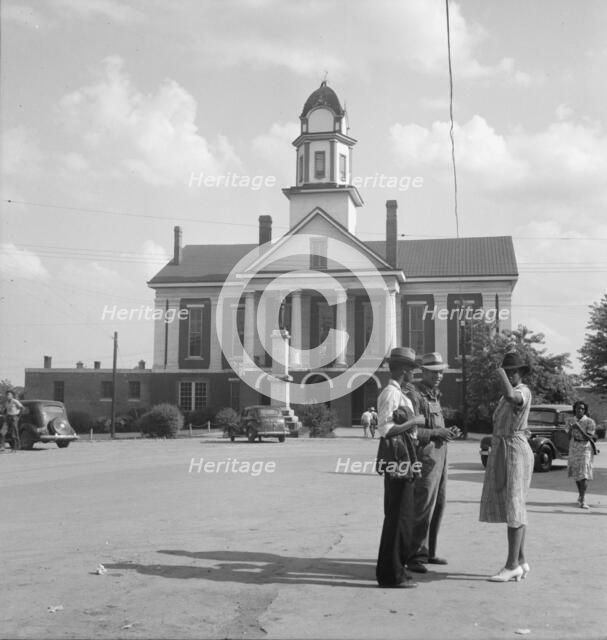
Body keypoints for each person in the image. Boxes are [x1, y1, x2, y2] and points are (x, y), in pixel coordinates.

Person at [479, 352, 535, 583]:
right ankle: (520, 560)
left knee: (514, 505)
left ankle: (511, 564)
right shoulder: (506, 396)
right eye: (507, 371)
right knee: (514, 504)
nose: (510, 374)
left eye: (513, 371)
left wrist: (500, 373)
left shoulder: (522, 391)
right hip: (505, 449)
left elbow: (513, 397)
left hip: (515, 450)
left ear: (521, 372)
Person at [375, 347, 426, 589]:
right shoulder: (389, 394)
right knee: (397, 517)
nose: (414, 375)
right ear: (404, 370)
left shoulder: (400, 393)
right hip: (398, 458)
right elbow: (385, 430)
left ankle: (396, 570)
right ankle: (391, 574)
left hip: (406, 456)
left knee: (403, 516)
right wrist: (414, 421)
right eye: (412, 370)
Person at [406, 352, 461, 573]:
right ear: (424, 371)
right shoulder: (415, 395)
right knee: (422, 506)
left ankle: (429, 551)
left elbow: (436, 427)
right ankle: (414, 555)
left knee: (438, 504)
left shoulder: (434, 395)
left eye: (441, 371)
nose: (439, 375)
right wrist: (438, 431)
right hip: (425, 457)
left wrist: (448, 432)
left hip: (440, 456)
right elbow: (412, 430)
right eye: (434, 371)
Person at [567, 400, 597, 509]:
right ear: (574, 409)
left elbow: (588, 437)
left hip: (585, 448)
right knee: (576, 473)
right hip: (574, 447)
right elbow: (567, 436)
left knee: (584, 473)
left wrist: (578, 427)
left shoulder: (590, 422)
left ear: (585, 410)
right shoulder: (570, 420)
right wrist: (571, 428)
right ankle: (580, 495)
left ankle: (583, 499)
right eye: (578, 408)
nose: (580, 410)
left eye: (582, 408)